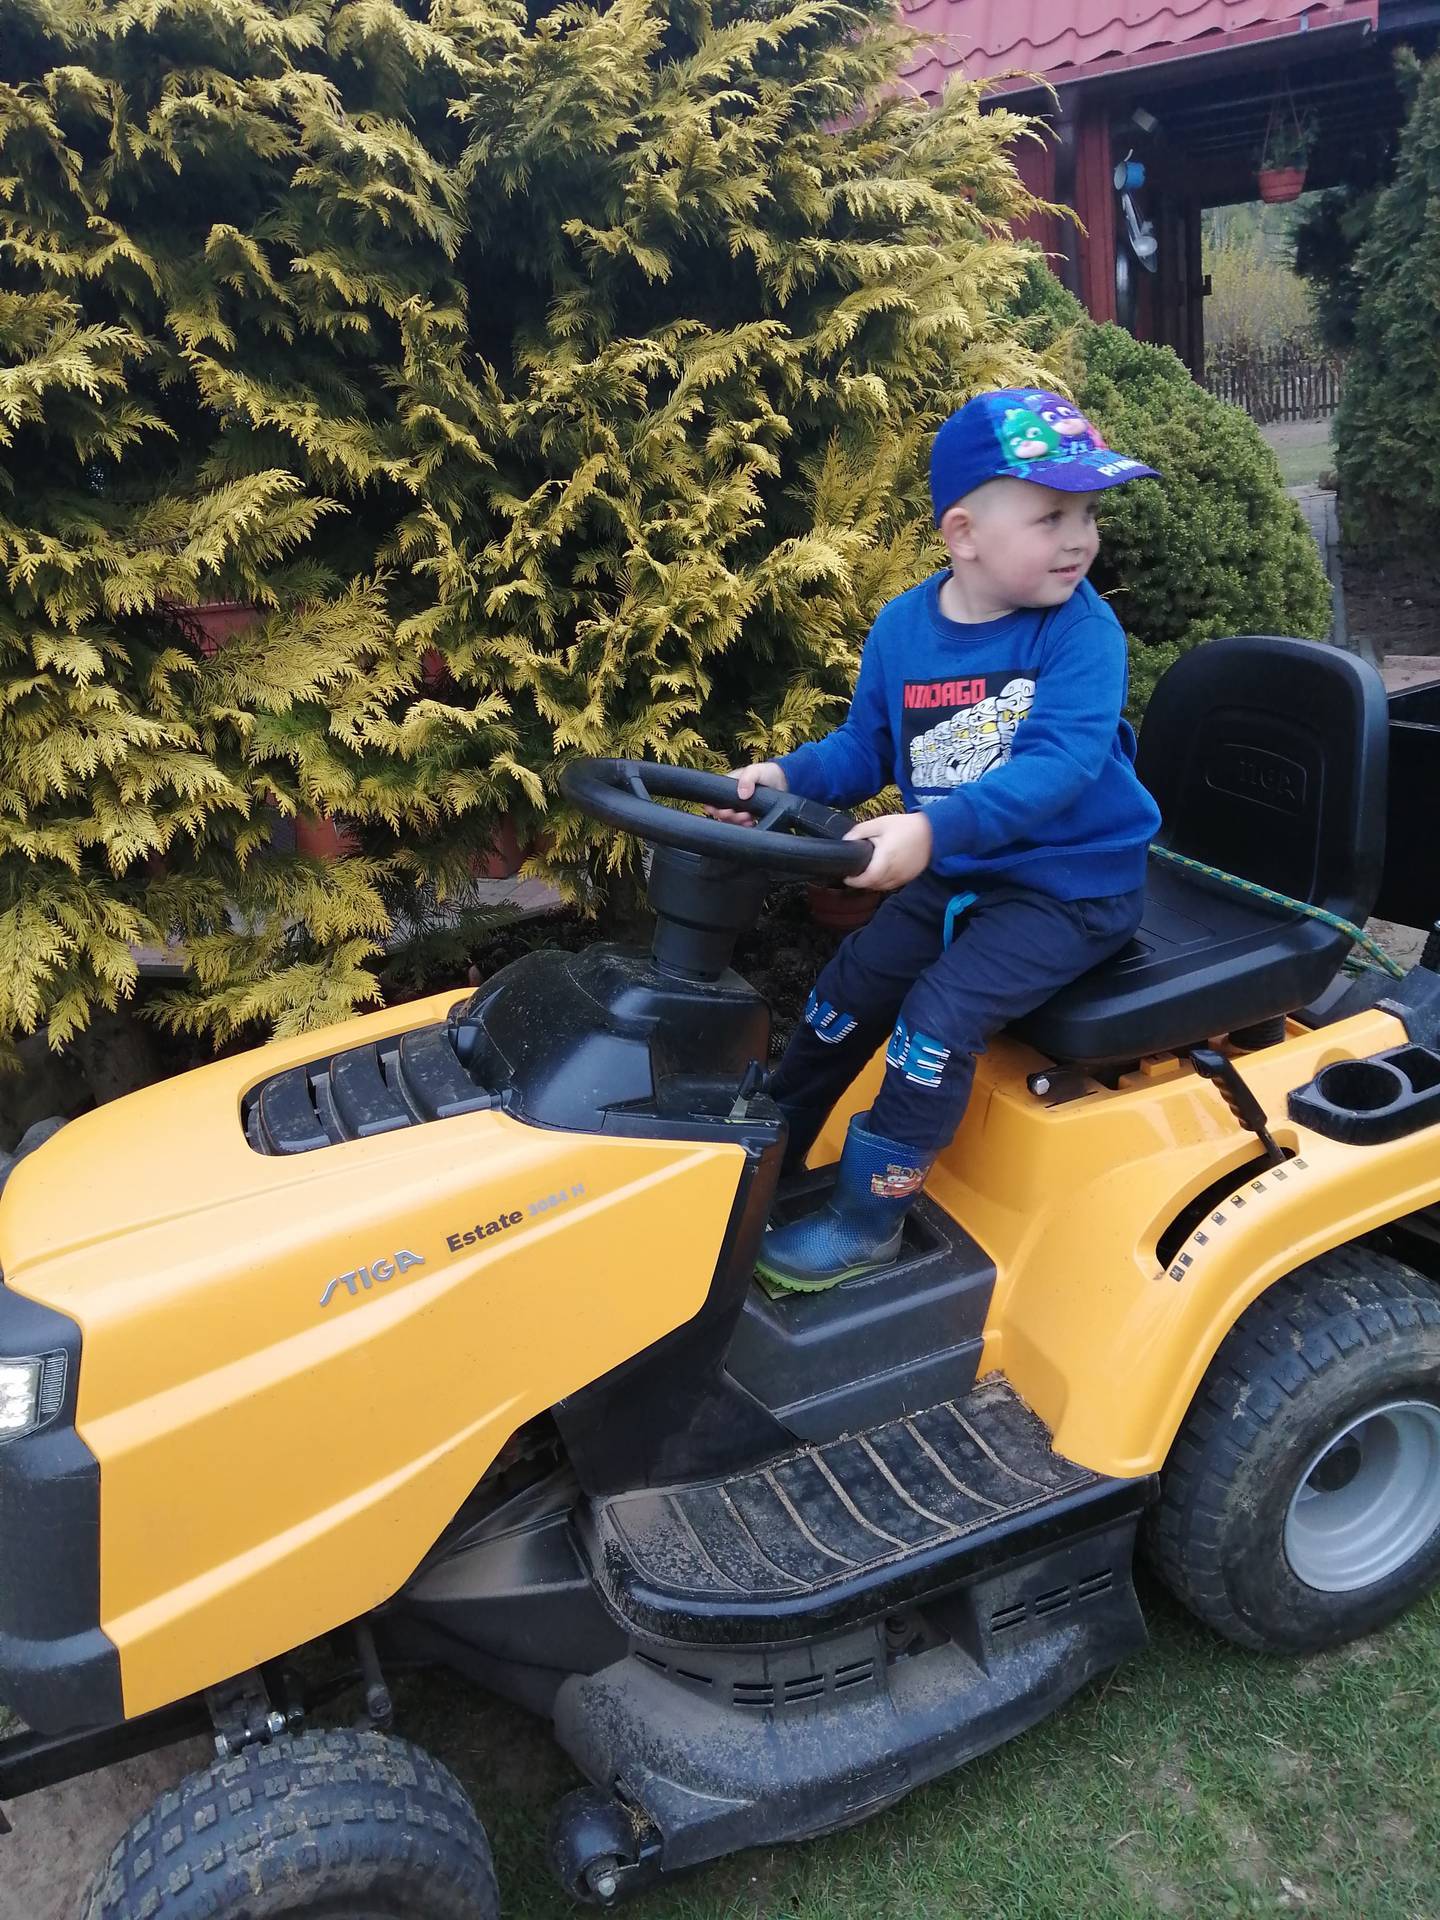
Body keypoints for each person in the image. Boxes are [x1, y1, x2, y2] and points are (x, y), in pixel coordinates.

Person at [713, 389, 1163, 1292]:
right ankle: (764, 1155)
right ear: (964, 534)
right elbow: (865, 747)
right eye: (1051, 516)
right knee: (844, 992)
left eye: (1087, 515)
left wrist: (933, 829)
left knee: (934, 1022)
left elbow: (1061, 765)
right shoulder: (903, 629)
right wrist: (786, 778)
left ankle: (867, 1220)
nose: (1080, 539)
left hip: (1068, 889)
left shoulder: (1082, 632)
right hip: (960, 872)